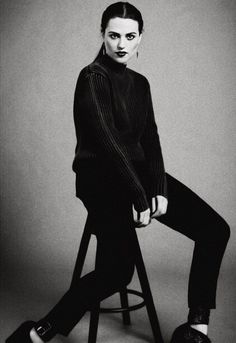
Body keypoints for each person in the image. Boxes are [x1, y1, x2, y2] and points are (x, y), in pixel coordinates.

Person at [6, 2, 230, 343]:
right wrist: (140, 197)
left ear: (141, 37)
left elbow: (150, 139)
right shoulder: (92, 78)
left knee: (215, 230)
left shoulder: (140, 84)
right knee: (117, 273)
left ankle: (195, 329)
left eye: (130, 36)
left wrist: (158, 188)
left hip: (136, 174)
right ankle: (39, 333)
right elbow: (109, 144)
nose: (122, 44)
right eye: (114, 35)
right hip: (100, 180)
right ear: (103, 36)